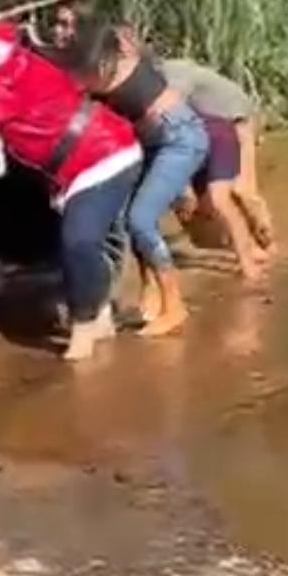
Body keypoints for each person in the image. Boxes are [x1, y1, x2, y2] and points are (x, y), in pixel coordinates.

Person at [0, 14, 142, 362]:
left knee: (78, 240)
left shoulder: (13, 78)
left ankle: (84, 325)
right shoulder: (15, 67)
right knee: (83, 243)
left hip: (103, 156)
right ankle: (99, 314)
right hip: (88, 160)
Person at [73, 18, 209, 337]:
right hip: (156, 142)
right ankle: (151, 294)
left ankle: (175, 306)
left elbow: (86, 88)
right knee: (129, 219)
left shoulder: (113, 69)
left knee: (140, 220)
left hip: (180, 139)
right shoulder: (108, 65)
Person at [161, 57, 274, 256]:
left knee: (243, 191)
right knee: (211, 201)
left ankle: (268, 245)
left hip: (236, 120)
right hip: (210, 134)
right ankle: (244, 245)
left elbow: (170, 115)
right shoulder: (166, 76)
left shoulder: (171, 74)